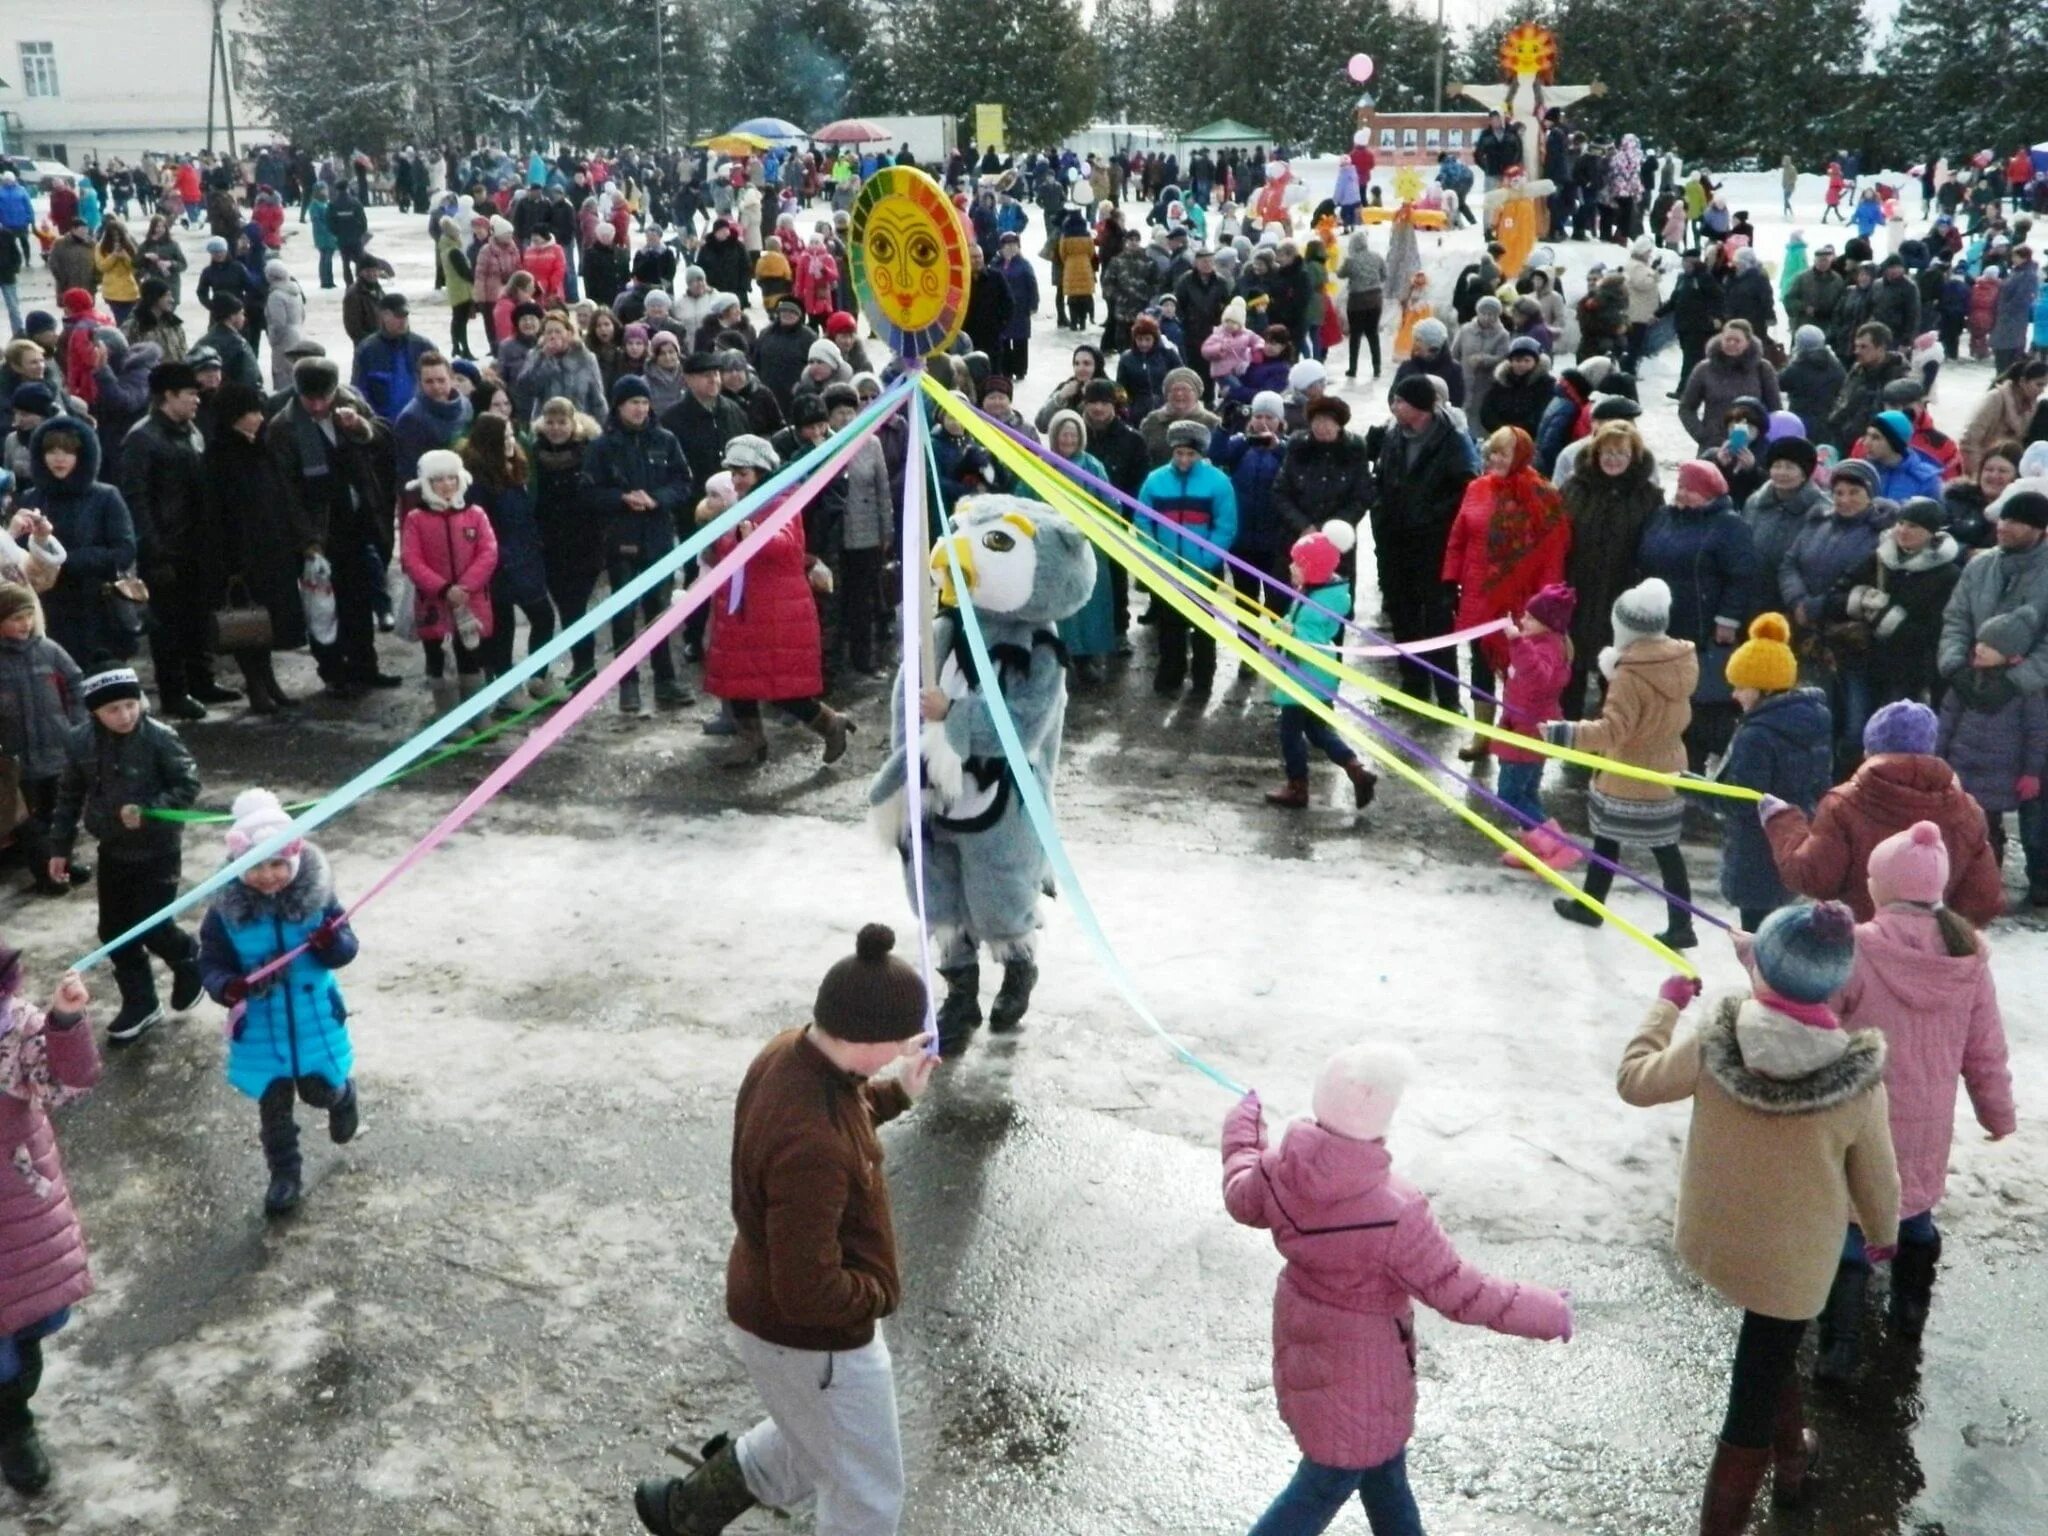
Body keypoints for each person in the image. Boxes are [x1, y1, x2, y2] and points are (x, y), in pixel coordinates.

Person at [631, 923, 936, 1536]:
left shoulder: (792, 1053)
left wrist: (896, 1092)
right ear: (868, 1039)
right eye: (902, 1040)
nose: (909, 1047)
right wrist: (881, 1291)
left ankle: (687, 1510)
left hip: (769, 1318)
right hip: (813, 1339)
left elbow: (841, 1114)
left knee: (815, 1435)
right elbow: (809, 1290)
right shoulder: (814, 1145)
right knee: (865, 1488)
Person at [1616, 902, 1898, 1536]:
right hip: (1794, 1266)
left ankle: (1793, 1454)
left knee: (1769, 1352)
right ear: (1838, 982)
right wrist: (1883, 1239)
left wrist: (1666, 1005)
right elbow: (1876, 1181)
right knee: (1753, 1386)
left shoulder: (1717, 1041)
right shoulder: (1858, 1083)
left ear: (1761, 970)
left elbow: (1635, 1081)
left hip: (1714, 1238)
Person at [1221, 1043, 1570, 1536]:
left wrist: (1243, 1130)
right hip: (1367, 1373)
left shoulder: (1278, 1166)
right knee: (1327, 1481)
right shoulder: (1395, 1210)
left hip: (1308, 1346)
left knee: (1383, 1473)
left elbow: (1241, 1194)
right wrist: (1545, 1309)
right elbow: (1459, 1291)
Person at [1832, 822, 2014, 1357]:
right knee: (1913, 1213)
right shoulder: (1968, 957)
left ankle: (1838, 1345)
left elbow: (1816, 1016)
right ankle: (1909, 1314)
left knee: (1852, 1222)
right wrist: (1997, 1114)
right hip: (1927, 1127)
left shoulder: (1858, 948)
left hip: (1861, 1116)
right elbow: (1987, 1050)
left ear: (1881, 887)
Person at [195, 789, 360, 1219]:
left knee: (318, 1091)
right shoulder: (223, 914)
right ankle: (284, 1175)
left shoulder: (317, 903)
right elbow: (210, 962)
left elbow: (347, 949)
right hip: (261, 1029)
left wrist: (331, 944)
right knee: (274, 1111)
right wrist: (225, 986)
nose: (267, 876)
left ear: (295, 860)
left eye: (277, 864)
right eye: (255, 866)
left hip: (314, 1022)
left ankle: (343, 1097)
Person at [1544, 577, 1702, 948]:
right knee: (1666, 848)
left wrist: (1563, 734)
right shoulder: (1680, 659)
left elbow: (1613, 731)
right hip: (1668, 768)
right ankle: (1682, 924)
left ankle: (1591, 906)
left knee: (1607, 839)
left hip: (1630, 771)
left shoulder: (1630, 675)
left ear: (1625, 630)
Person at [48, 666, 203, 1041]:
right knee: (114, 930)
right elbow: (69, 795)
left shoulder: (160, 738)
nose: (125, 715)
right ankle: (141, 1002)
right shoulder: (81, 741)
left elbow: (188, 783)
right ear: (95, 712)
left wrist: (150, 810)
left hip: (158, 850)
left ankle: (187, 956)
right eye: (113, 709)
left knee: (152, 924)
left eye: (131, 705)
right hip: (114, 849)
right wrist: (59, 848)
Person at [1763, 700, 2005, 924]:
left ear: (1870, 752)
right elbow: (1982, 901)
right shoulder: (1967, 810)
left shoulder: (1844, 805)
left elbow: (1813, 878)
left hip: (1862, 946)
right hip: (1933, 950)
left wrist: (1783, 821)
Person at [0, 951, 97, 1496]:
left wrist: (64, 1021)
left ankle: (17, 1397)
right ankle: (14, 1429)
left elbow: (68, 1085)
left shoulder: (15, 1027)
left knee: (31, 1321)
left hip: (16, 1203)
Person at [265, 357, 400, 698]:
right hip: (320, 528)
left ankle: (364, 667)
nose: (317, 405)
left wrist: (359, 428)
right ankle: (334, 672)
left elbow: (382, 437)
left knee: (359, 599)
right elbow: (287, 490)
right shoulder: (285, 426)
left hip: (358, 518)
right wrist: (308, 540)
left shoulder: (349, 402)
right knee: (324, 606)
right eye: (310, 399)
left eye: (323, 397)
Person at [1441, 426, 1571, 762]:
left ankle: (1517, 736)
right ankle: (1482, 735)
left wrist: (1546, 605)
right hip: (1479, 595)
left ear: (1522, 456)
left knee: (1523, 670)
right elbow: (1458, 538)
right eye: (1491, 453)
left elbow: (1553, 551)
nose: (1494, 460)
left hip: (1524, 602)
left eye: (1503, 453)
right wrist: (1449, 579)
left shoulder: (1544, 495)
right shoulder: (1476, 488)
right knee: (1481, 666)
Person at [119, 359, 237, 719]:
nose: (197, 400)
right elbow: (136, 501)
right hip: (166, 549)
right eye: (190, 393)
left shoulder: (190, 431)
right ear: (168, 395)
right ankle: (174, 692)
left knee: (198, 618)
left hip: (197, 545)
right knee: (168, 626)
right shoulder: (142, 439)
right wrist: (153, 551)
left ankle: (202, 680)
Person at [580, 375, 694, 714]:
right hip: (622, 539)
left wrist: (656, 500)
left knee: (659, 611)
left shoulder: (666, 440)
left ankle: (665, 680)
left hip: (658, 536)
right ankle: (627, 684)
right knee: (625, 615)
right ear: (618, 406)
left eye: (644, 403)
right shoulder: (602, 446)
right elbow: (588, 492)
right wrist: (621, 498)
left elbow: (683, 482)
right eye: (634, 403)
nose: (641, 409)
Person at [1636, 460, 1756, 772]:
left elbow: (1741, 576)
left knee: (1697, 701)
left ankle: (1691, 763)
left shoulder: (1729, 525)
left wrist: (1727, 620)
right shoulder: (1664, 517)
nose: (1684, 494)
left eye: (1692, 490)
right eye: (1681, 487)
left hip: (1701, 627)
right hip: (1662, 622)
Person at [1718, 615, 1833, 931]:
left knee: (1756, 941)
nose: (1735, 695)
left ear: (1763, 688)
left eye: (1741, 686)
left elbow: (1742, 800)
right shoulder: (1814, 719)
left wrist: (1688, 787)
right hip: (1794, 842)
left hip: (1756, 852)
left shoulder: (1756, 734)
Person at [203, 381, 310, 714]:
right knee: (248, 624)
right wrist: (230, 560)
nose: (258, 418)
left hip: (272, 549)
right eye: (250, 412)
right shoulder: (219, 457)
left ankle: (268, 682)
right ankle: (256, 685)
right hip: (242, 556)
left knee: (268, 622)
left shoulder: (262, 449)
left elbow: (282, 498)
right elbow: (217, 515)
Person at [1260, 520, 1378, 810]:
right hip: (1318, 674)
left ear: (1313, 569)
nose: (1291, 568)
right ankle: (1356, 770)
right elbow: (1297, 626)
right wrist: (1281, 627)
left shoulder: (1316, 601)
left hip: (1304, 674)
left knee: (1291, 732)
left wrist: (1285, 634)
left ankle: (1297, 786)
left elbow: (1306, 637)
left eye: (1297, 564)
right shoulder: (1318, 594)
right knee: (1315, 729)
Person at [1372, 378, 1474, 708]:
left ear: (1421, 407)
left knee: (1438, 620)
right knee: (1403, 617)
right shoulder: (1392, 436)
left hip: (1435, 545)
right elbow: (1382, 481)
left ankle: (1447, 696)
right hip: (1395, 543)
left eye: (1401, 401)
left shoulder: (1453, 441)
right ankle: (1413, 687)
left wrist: (1431, 515)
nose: (1395, 407)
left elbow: (1466, 490)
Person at [1938, 606, 2048, 887]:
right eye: (1980, 642)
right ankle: (1959, 879)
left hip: (2000, 774)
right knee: (1959, 826)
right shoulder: (1965, 683)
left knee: (1989, 831)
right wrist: (1938, 759)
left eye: (1990, 646)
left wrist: (2031, 772)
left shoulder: (2026, 692)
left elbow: (2036, 733)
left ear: (2012, 656)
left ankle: (1986, 883)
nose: (1980, 648)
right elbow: (1946, 722)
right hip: (1961, 767)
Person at [1559, 420, 1658, 718]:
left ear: (1633, 456)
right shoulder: (1574, 488)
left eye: (1621, 453)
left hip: (1622, 591)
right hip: (1577, 587)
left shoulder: (1648, 496)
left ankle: (1611, 729)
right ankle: (1569, 726)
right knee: (1571, 659)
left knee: (1615, 664)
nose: (1613, 459)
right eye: (1607, 452)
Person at [1825, 497, 1961, 711]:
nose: (1903, 531)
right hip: (1862, 659)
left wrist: (1887, 618)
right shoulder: (1878, 559)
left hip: (1907, 672)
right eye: (1900, 523)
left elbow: (1936, 630)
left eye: (1913, 526)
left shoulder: (1948, 574)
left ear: (1931, 532)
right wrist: (1860, 600)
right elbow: (1833, 598)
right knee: (1855, 731)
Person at [1137, 419, 1238, 698]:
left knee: (1204, 628)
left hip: (1203, 570)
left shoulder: (1218, 482)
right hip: (1167, 569)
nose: (1184, 459)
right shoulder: (1155, 480)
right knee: (1170, 627)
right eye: (1179, 453)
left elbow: (1225, 525)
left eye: (1190, 454)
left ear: (1201, 454)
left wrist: (1207, 559)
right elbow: (1143, 520)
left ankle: (1203, 680)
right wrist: (1155, 555)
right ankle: (1171, 674)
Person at [1495, 583, 1577, 866]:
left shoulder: (1547, 649)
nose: (1522, 621)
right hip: (1522, 730)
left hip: (1526, 734)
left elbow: (1539, 678)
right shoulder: (1545, 644)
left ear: (1547, 623)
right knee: (1526, 793)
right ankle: (1538, 848)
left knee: (1509, 795)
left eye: (1530, 618)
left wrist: (1517, 643)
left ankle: (1558, 846)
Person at [1959, 358, 2046, 476]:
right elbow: (1969, 440)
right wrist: (1979, 473)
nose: (2042, 391)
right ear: (2022, 382)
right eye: (2038, 385)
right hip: (1984, 469)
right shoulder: (1995, 398)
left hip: (2007, 471)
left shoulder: (2031, 406)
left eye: (2044, 386)